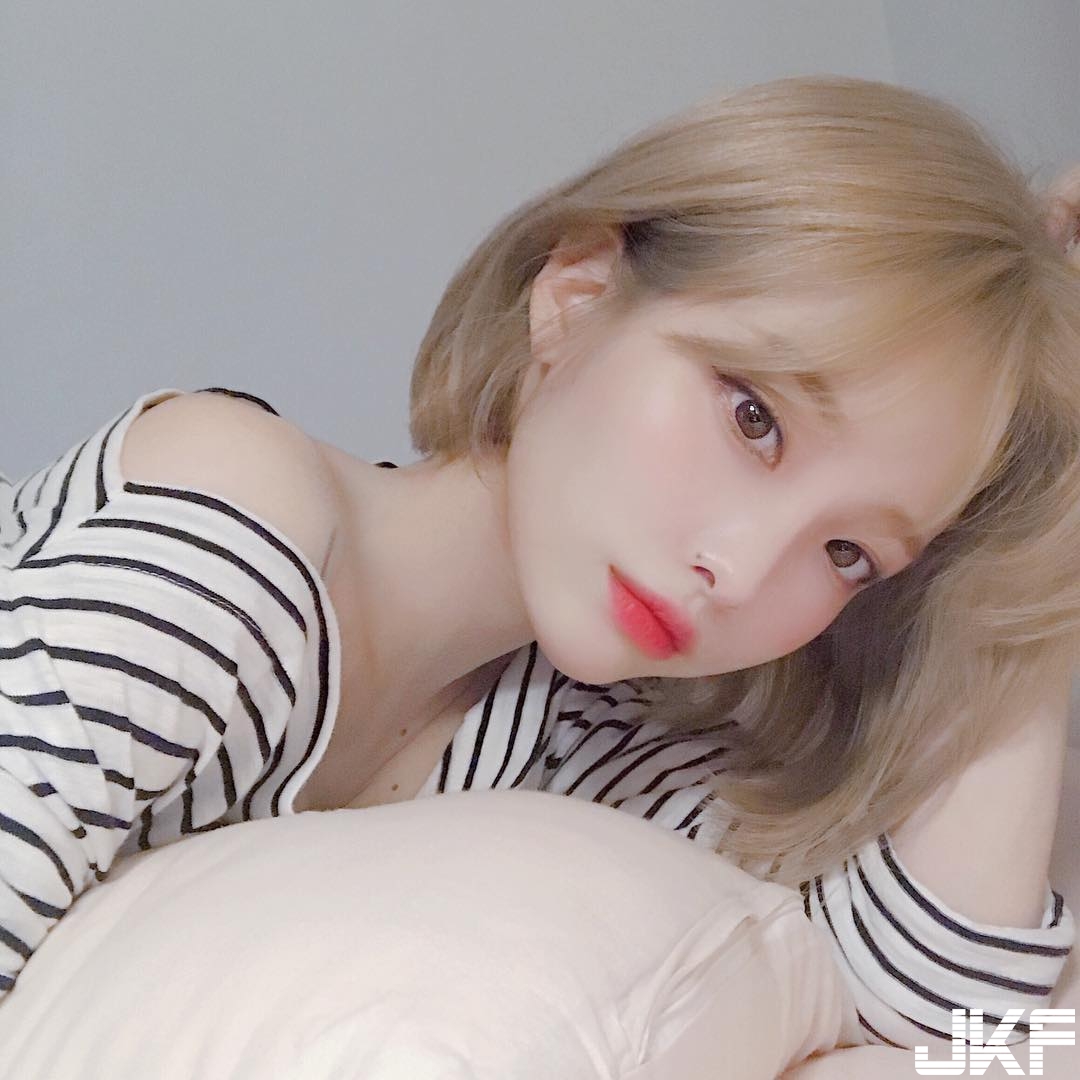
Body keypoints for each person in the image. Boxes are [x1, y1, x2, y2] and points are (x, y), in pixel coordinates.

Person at [2, 76, 1078, 1053]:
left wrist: (1048, 534)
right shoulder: (236, 527)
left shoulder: (575, 736)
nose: (742, 571)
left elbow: (928, 1013)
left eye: (848, 552)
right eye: (754, 418)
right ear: (577, 292)